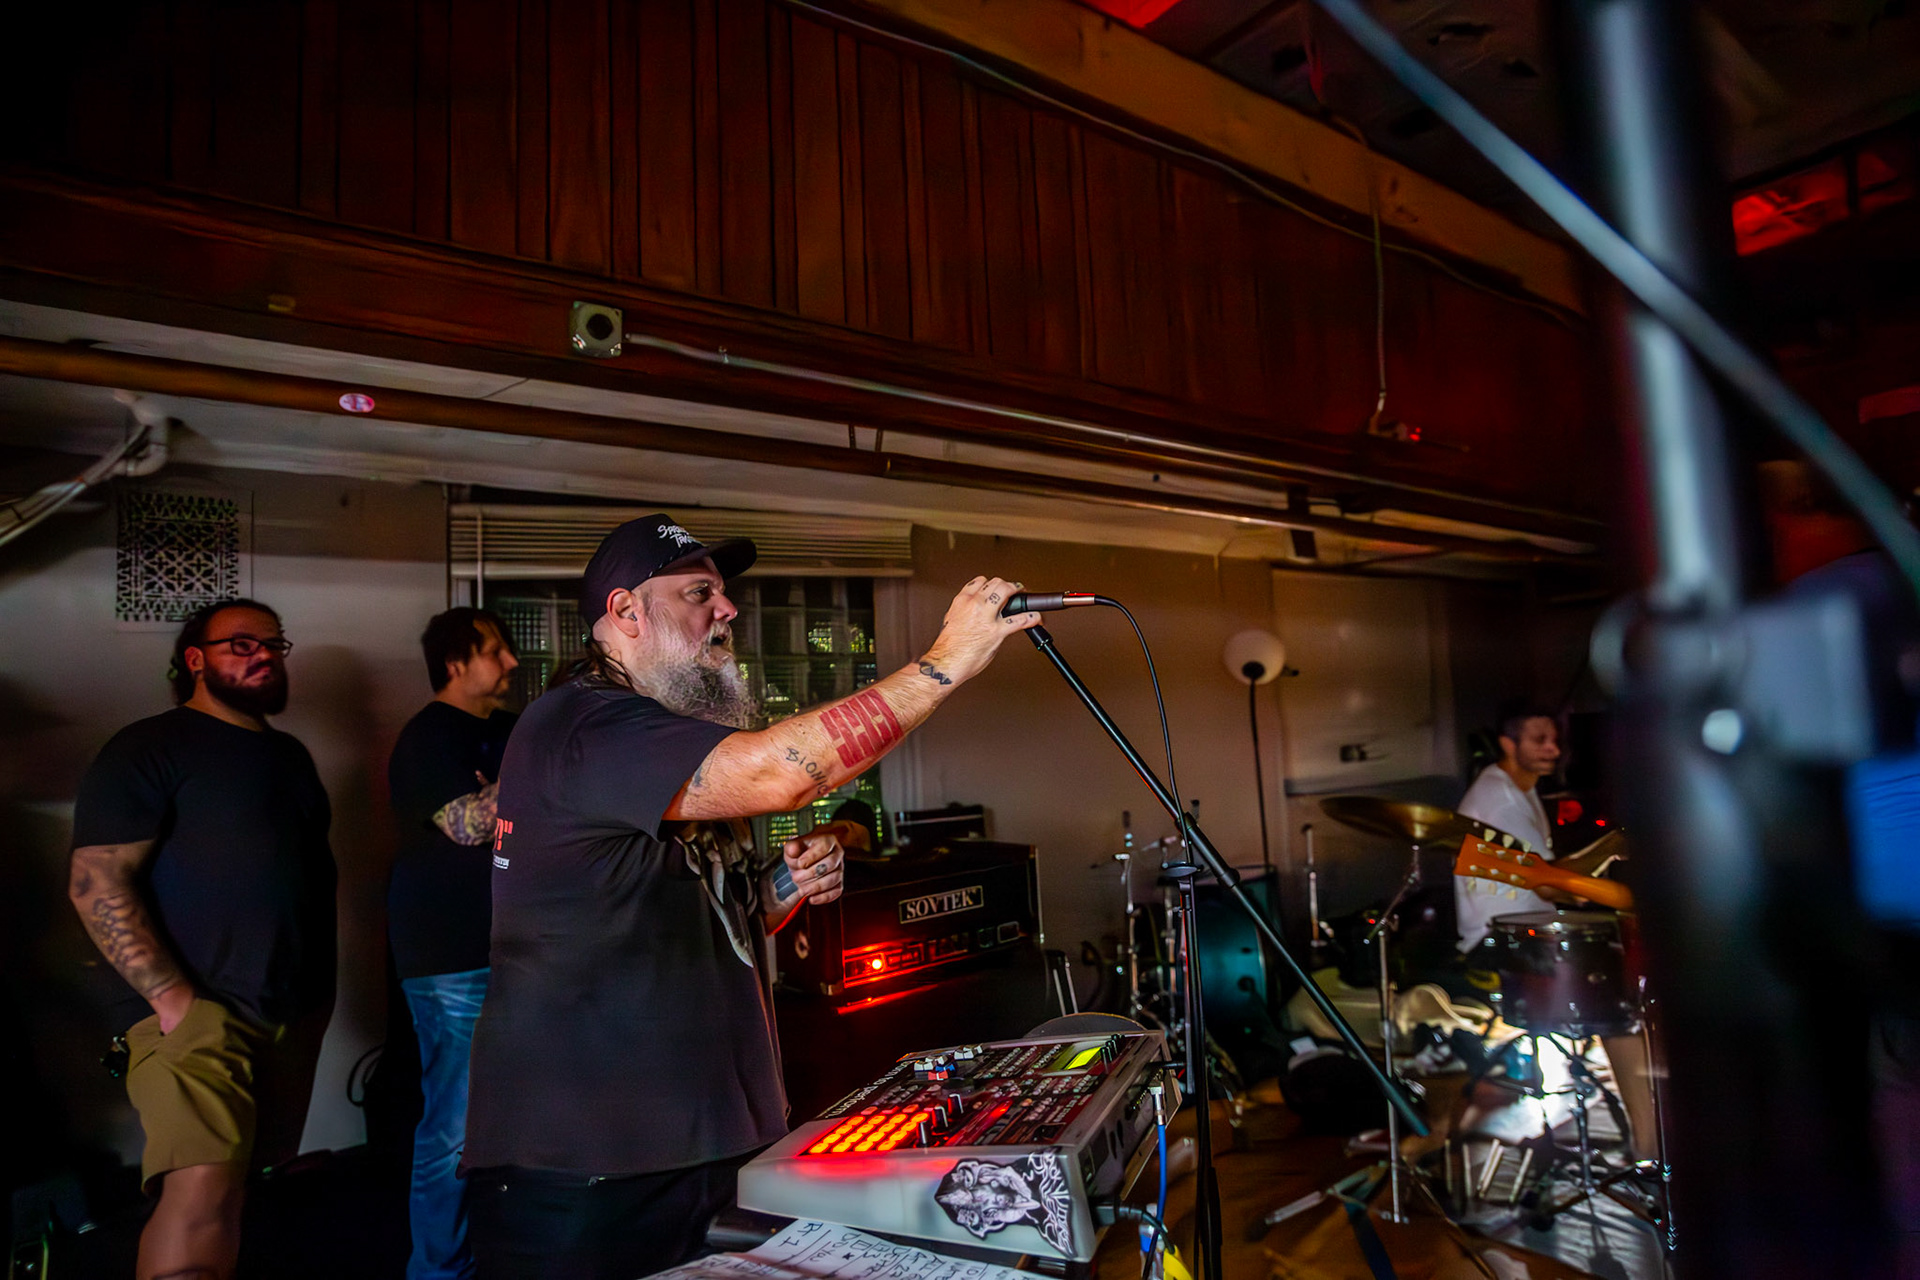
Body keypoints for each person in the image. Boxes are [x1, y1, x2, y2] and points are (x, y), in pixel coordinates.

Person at [463, 514, 1040, 1278]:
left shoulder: (663, 734)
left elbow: (727, 915)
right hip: (589, 1166)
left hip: (709, 1143)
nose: (727, 609)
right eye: (699, 593)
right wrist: (946, 663)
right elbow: (782, 773)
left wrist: (789, 881)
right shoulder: (585, 724)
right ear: (626, 612)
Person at [67, 599, 335, 1280]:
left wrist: (314, 1008)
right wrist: (173, 1002)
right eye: (240, 644)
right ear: (195, 660)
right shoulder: (149, 747)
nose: (263, 654)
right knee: (200, 1196)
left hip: (284, 1016)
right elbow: (96, 880)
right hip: (194, 1014)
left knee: (241, 1196)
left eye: (273, 643)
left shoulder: (289, 757)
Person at [1454, 700, 1656, 1161]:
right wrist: (1615, 868)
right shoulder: (1501, 798)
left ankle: (1645, 1137)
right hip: (1498, 943)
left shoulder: (1518, 789)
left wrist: (1604, 853)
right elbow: (1547, 883)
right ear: (1508, 745)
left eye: (1555, 739)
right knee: (1616, 1011)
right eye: (1539, 740)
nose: (1552, 749)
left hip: (1524, 930)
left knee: (1616, 977)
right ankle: (1647, 1146)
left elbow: (1546, 877)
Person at [387, 608, 521, 1280]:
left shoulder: (510, 732)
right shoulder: (428, 737)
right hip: (449, 954)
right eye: (495, 651)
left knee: (518, 1113)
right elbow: (468, 825)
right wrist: (538, 773)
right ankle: (438, 1269)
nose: (511, 662)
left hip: (517, 948)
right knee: (454, 1123)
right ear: (455, 663)